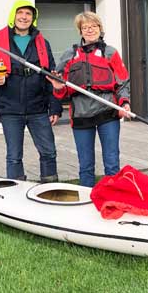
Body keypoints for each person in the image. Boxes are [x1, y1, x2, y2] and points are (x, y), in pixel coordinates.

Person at [0, 0, 61, 182]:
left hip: (38, 108)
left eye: (28, 14)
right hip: (10, 109)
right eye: (20, 12)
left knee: (49, 152)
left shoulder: (42, 43)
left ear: (34, 18)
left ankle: (51, 190)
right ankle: (16, 193)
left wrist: (54, 107)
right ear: (13, 16)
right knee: (14, 156)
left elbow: (51, 77)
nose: (24, 17)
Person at [49, 11, 131, 187]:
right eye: (85, 27)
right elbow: (60, 89)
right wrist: (58, 88)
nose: (89, 30)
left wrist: (124, 103)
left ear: (100, 28)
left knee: (112, 163)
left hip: (107, 112)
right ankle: (87, 199)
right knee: (85, 165)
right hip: (81, 114)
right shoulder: (69, 55)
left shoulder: (110, 52)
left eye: (93, 26)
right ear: (80, 31)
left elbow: (123, 82)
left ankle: (113, 198)